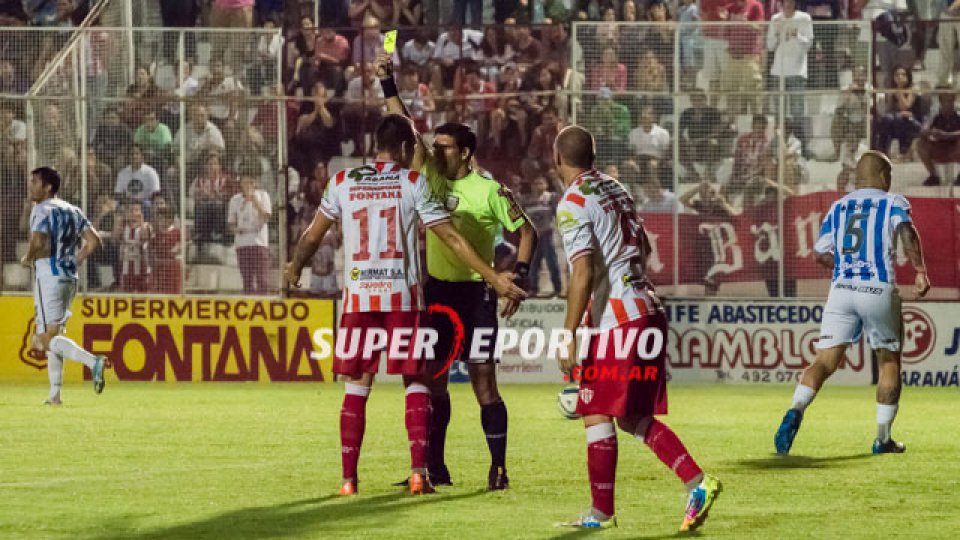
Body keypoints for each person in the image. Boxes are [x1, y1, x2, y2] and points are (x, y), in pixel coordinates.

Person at [284, 114, 527, 496]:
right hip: (403, 298)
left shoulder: (343, 181)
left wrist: (295, 266)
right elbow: (450, 238)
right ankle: (420, 473)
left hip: (360, 299)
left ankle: (348, 480)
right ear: (403, 149)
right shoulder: (413, 183)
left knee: (357, 387)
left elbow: (313, 235)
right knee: (416, 380)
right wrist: (496, 277)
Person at [377, 52, 538, 491]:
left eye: (443, 146)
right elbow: (406, 126)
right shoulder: (431, 175)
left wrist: (515, 276)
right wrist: (387, 83)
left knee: (484, 382)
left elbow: (528, 232)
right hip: (438, 295)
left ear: (465, 153)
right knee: (433, 382)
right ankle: (434, 467)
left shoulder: (489, 191)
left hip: (477, 297)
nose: (432, 150)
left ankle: (498, 469)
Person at [552, 126, 721, 530]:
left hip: (621, 318)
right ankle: (694, 483)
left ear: (557, 159)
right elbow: (642, 249)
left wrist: (569, 333)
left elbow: (582, 269)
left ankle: (603, 512)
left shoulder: (572, 201)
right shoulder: (616, 188)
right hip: (645, 305)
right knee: (627, 417)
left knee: (594, 409)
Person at [774, 151, 930, 456]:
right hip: (877, 287)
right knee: (888, 360)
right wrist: (921, 271)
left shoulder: (838, 207)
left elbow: (820, 253)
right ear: (884, 176)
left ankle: (795, 409)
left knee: (823, 361)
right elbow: (907, 232)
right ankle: (883, 439)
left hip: (841, 289)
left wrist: (846, 267)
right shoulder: (892, 202)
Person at [21, 167, 107, 404]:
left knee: (46, 339)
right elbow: (93, 241)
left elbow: (38, 242)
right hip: (69, 276)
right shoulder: (73, 209)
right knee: (52, 335)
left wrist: (28, 258)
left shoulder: (41, 209)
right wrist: (74, 261)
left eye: (35, 182)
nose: (31, 186)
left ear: (48, 187)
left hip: (48, 274)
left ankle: (93, 362)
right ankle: (54, 395)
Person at [227, 174, 272, 295]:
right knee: (247, 281)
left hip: (259, 242)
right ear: (241, 184)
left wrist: (255, 203)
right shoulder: (235, 200)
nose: (247, 185)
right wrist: (237, 229)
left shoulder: (263, 195)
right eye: (245, 182)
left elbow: (267, 217)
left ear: (255, 183)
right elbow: (231, 223)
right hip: (242, 243)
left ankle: (264, 306)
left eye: (250, 183)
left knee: (262, 280)